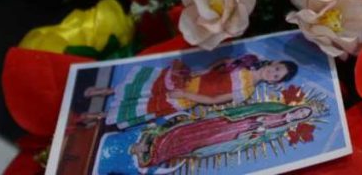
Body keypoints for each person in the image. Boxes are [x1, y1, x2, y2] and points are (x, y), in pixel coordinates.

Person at [85, 54, 298, 129]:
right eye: (277, 68)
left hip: (190, 97)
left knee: (150, 104)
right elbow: (224, 61)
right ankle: (107, 91)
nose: (273, 73)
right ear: (276, 62)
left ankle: (99, 116)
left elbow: (214, 99)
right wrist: (207, 69)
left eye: (277, 76)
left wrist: (187, 96)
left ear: (274, 82)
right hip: (192, 79)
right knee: (150, 87)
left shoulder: (247, 90)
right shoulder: (248, 61)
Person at [128, 103, 315, 169]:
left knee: (196, 144)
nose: (299, 114)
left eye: (303, 116)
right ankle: (156, 140)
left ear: (300, 119)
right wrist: (255, 118)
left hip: (235, 136)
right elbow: (249, 108)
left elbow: (261, 140)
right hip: (232, 122)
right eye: (301, 111)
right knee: (191, 131)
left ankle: (155, 154)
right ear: (297, 108)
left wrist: (259, 133)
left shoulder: (281, 131)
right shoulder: (276, 107)